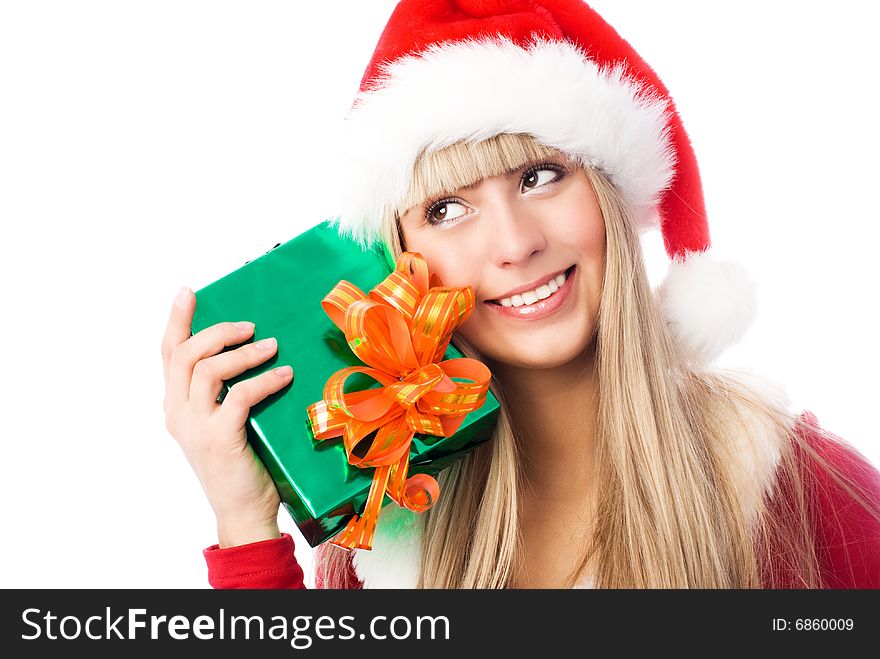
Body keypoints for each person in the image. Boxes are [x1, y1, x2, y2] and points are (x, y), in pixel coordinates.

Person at [161, 0, 880, 589]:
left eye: (540, 176)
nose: (514, 243)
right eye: (446, 208)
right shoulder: (378, 550)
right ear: (402, 262)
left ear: (609, 197)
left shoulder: (800, 495)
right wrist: (246, 521)